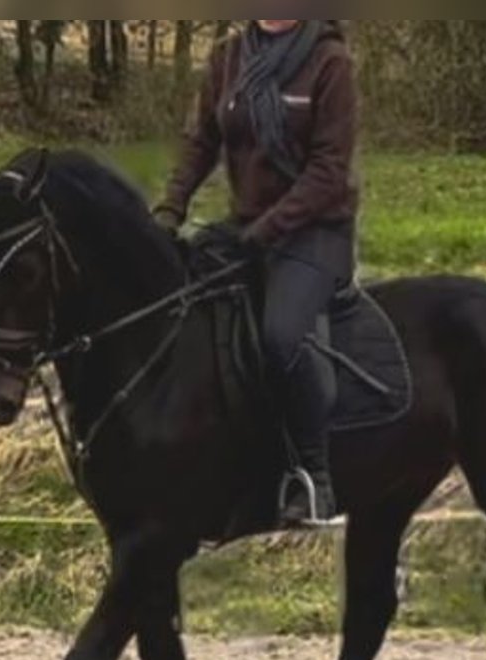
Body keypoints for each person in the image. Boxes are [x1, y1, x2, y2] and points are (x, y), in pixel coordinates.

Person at [154, 19, 360, 527]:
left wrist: (267, 229)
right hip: (248, 227)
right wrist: (169, 210)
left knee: (281, 334)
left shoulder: (331, 63)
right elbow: (200, 141)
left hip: (315, 231)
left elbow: (329, 171)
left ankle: (315, 478)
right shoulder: (228, 57)